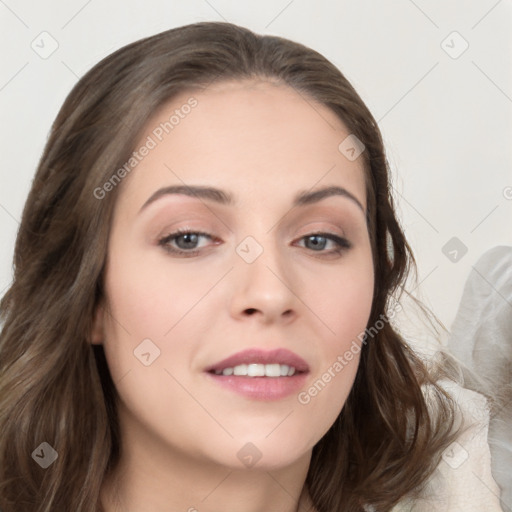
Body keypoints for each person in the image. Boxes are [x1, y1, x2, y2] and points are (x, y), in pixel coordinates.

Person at [0, 21, 503, 512]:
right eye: (189, 238)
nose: (270, 293)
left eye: (319, 239)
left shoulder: (472, 482)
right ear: (87, 295)